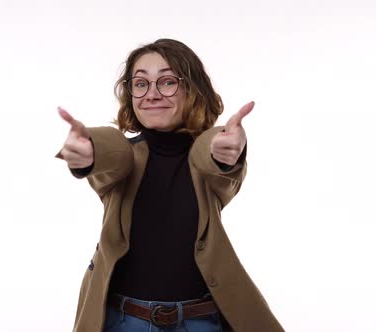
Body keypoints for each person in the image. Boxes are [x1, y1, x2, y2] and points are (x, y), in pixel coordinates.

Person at [57, 39, 284, 332]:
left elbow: (212, 158)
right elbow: (111, 152)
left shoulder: (209, 153)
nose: (151, 94)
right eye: (140, 84)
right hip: (124, 322)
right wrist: (89, 151)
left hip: (201, 322)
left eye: (167, 82)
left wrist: (227, 153)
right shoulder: (122, 157)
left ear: (193, 89)